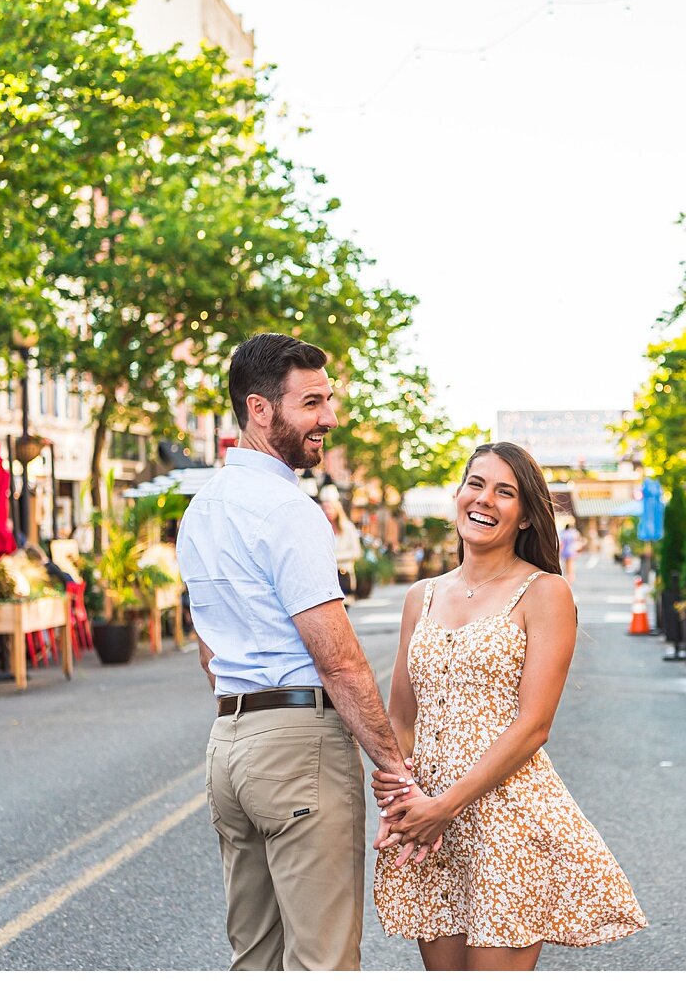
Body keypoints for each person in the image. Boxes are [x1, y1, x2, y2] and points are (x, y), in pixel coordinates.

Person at [176, 332, 419, 970]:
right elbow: (338, 660)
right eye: (312, 403)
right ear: (261, 410)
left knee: (253, 958)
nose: (329, 418)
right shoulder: (289, 509)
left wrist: (247, 725)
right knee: (323, 962)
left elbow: (208, 650)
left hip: (228, 745)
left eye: (328, 399)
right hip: (297, 743)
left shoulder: (201, 510)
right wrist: (394, 772)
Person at [371, 442, 646, 969]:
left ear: (525, 516)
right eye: (476, 484)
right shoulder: (421, 596)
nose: (485, 500)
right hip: (432, 823)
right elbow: (402, 716)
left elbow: (534, 725)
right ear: (459, 494)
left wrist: (444, 806)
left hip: (506, 821)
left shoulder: (545, 593)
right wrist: (401, 792)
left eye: (506, 492)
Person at [320, 485, 363, 598]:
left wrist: (333, 557)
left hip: (344, 574)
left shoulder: (347, 528)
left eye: (329, 507)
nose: (327, 511)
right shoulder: (320, 529)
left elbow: (356, 552)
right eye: (324, 508)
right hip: (326, 577)